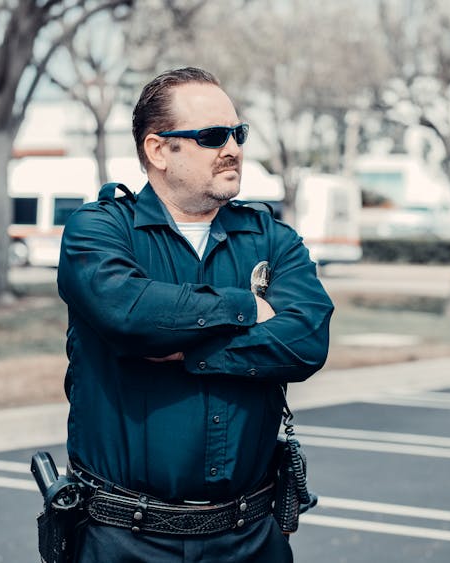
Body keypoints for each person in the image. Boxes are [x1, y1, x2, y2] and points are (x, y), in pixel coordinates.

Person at [57, 67, 334, 562]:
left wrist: (187, 349)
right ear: (159, 150)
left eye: (237, 133)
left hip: (250, 535)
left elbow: (307, 341)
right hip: (124, 537)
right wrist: (248, 305)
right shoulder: (98, 230)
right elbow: (130, 313)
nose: (231, 148)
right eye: (210, 136)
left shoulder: (272, 238)